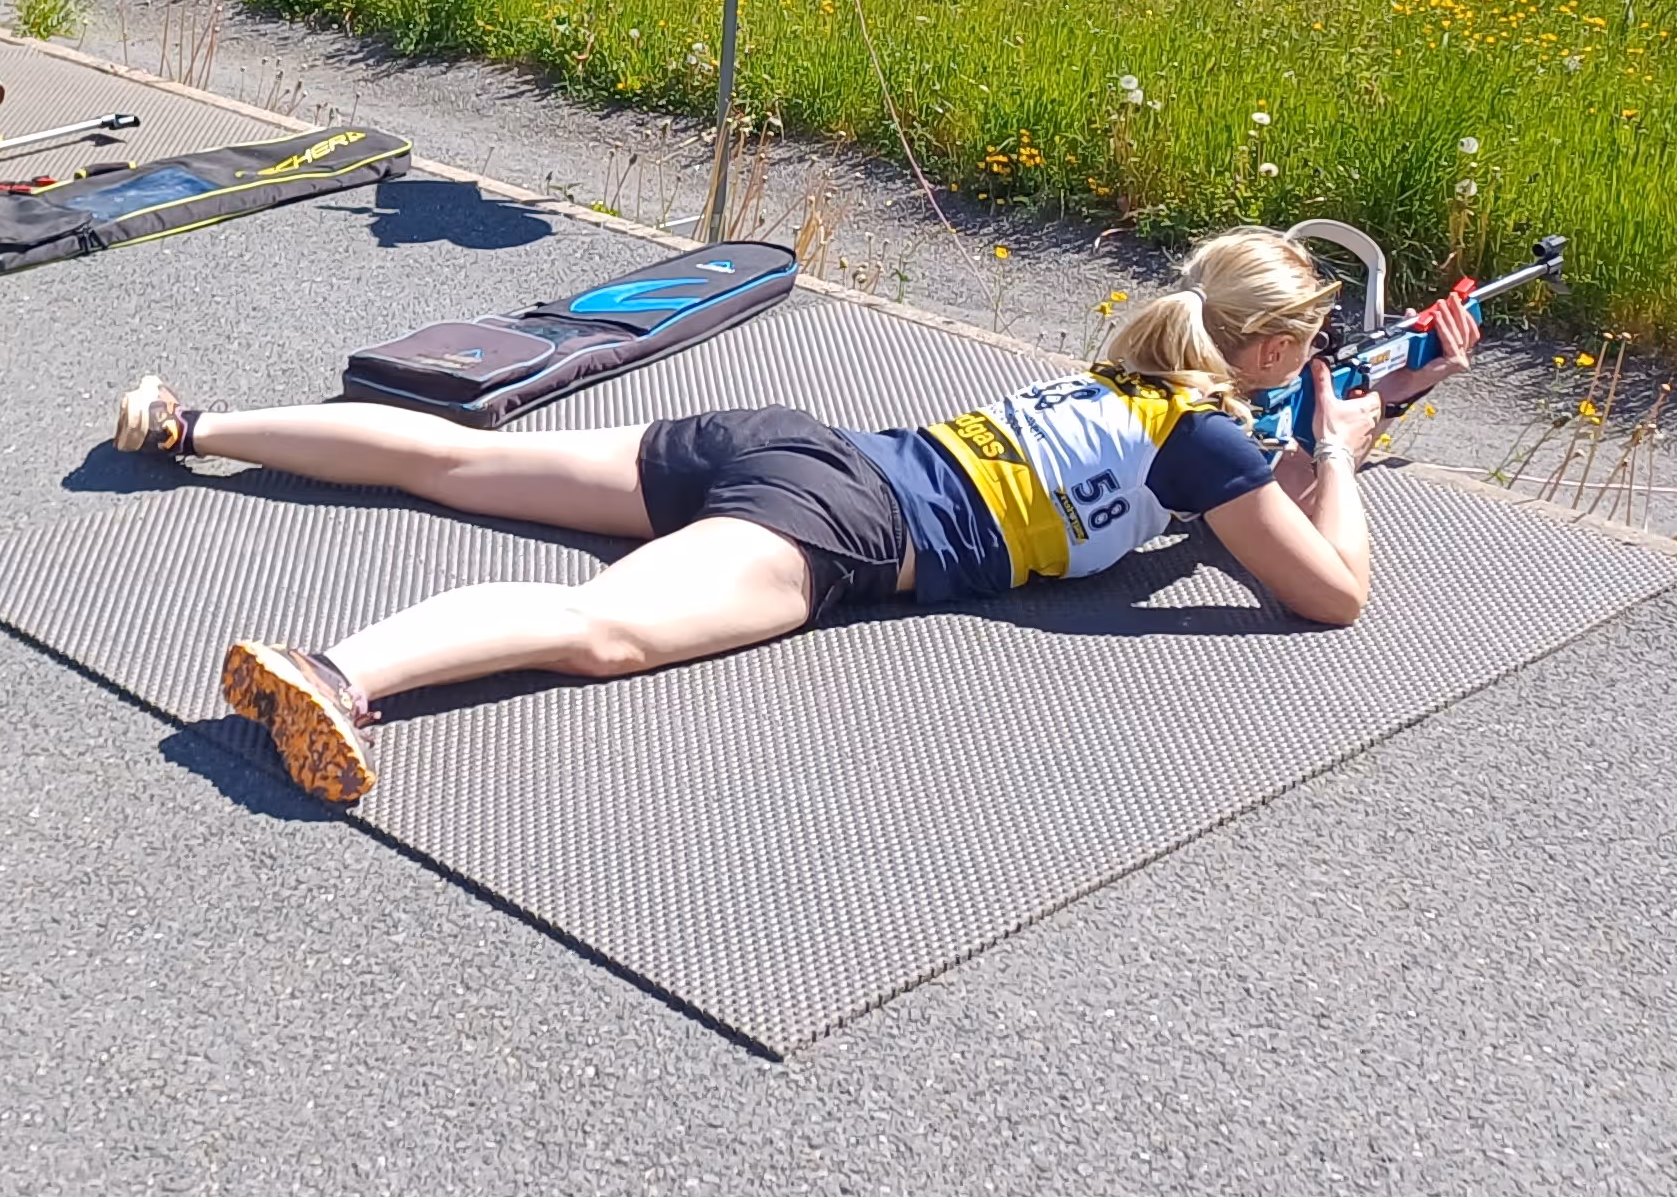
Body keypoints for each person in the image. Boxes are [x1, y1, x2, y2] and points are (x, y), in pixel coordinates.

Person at [117, 227, 1489, 807]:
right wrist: (1351, 442)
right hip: (841, 530)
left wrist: (1358, 404)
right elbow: (1327, 592)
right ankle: (342, 679)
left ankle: (192, 424)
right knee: (604, 631)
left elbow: (1234, 472)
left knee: (462, 466)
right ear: (1260, 355)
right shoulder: (1205, 444)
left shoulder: (1138, 376)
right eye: (1304, 346)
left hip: (787, 441)